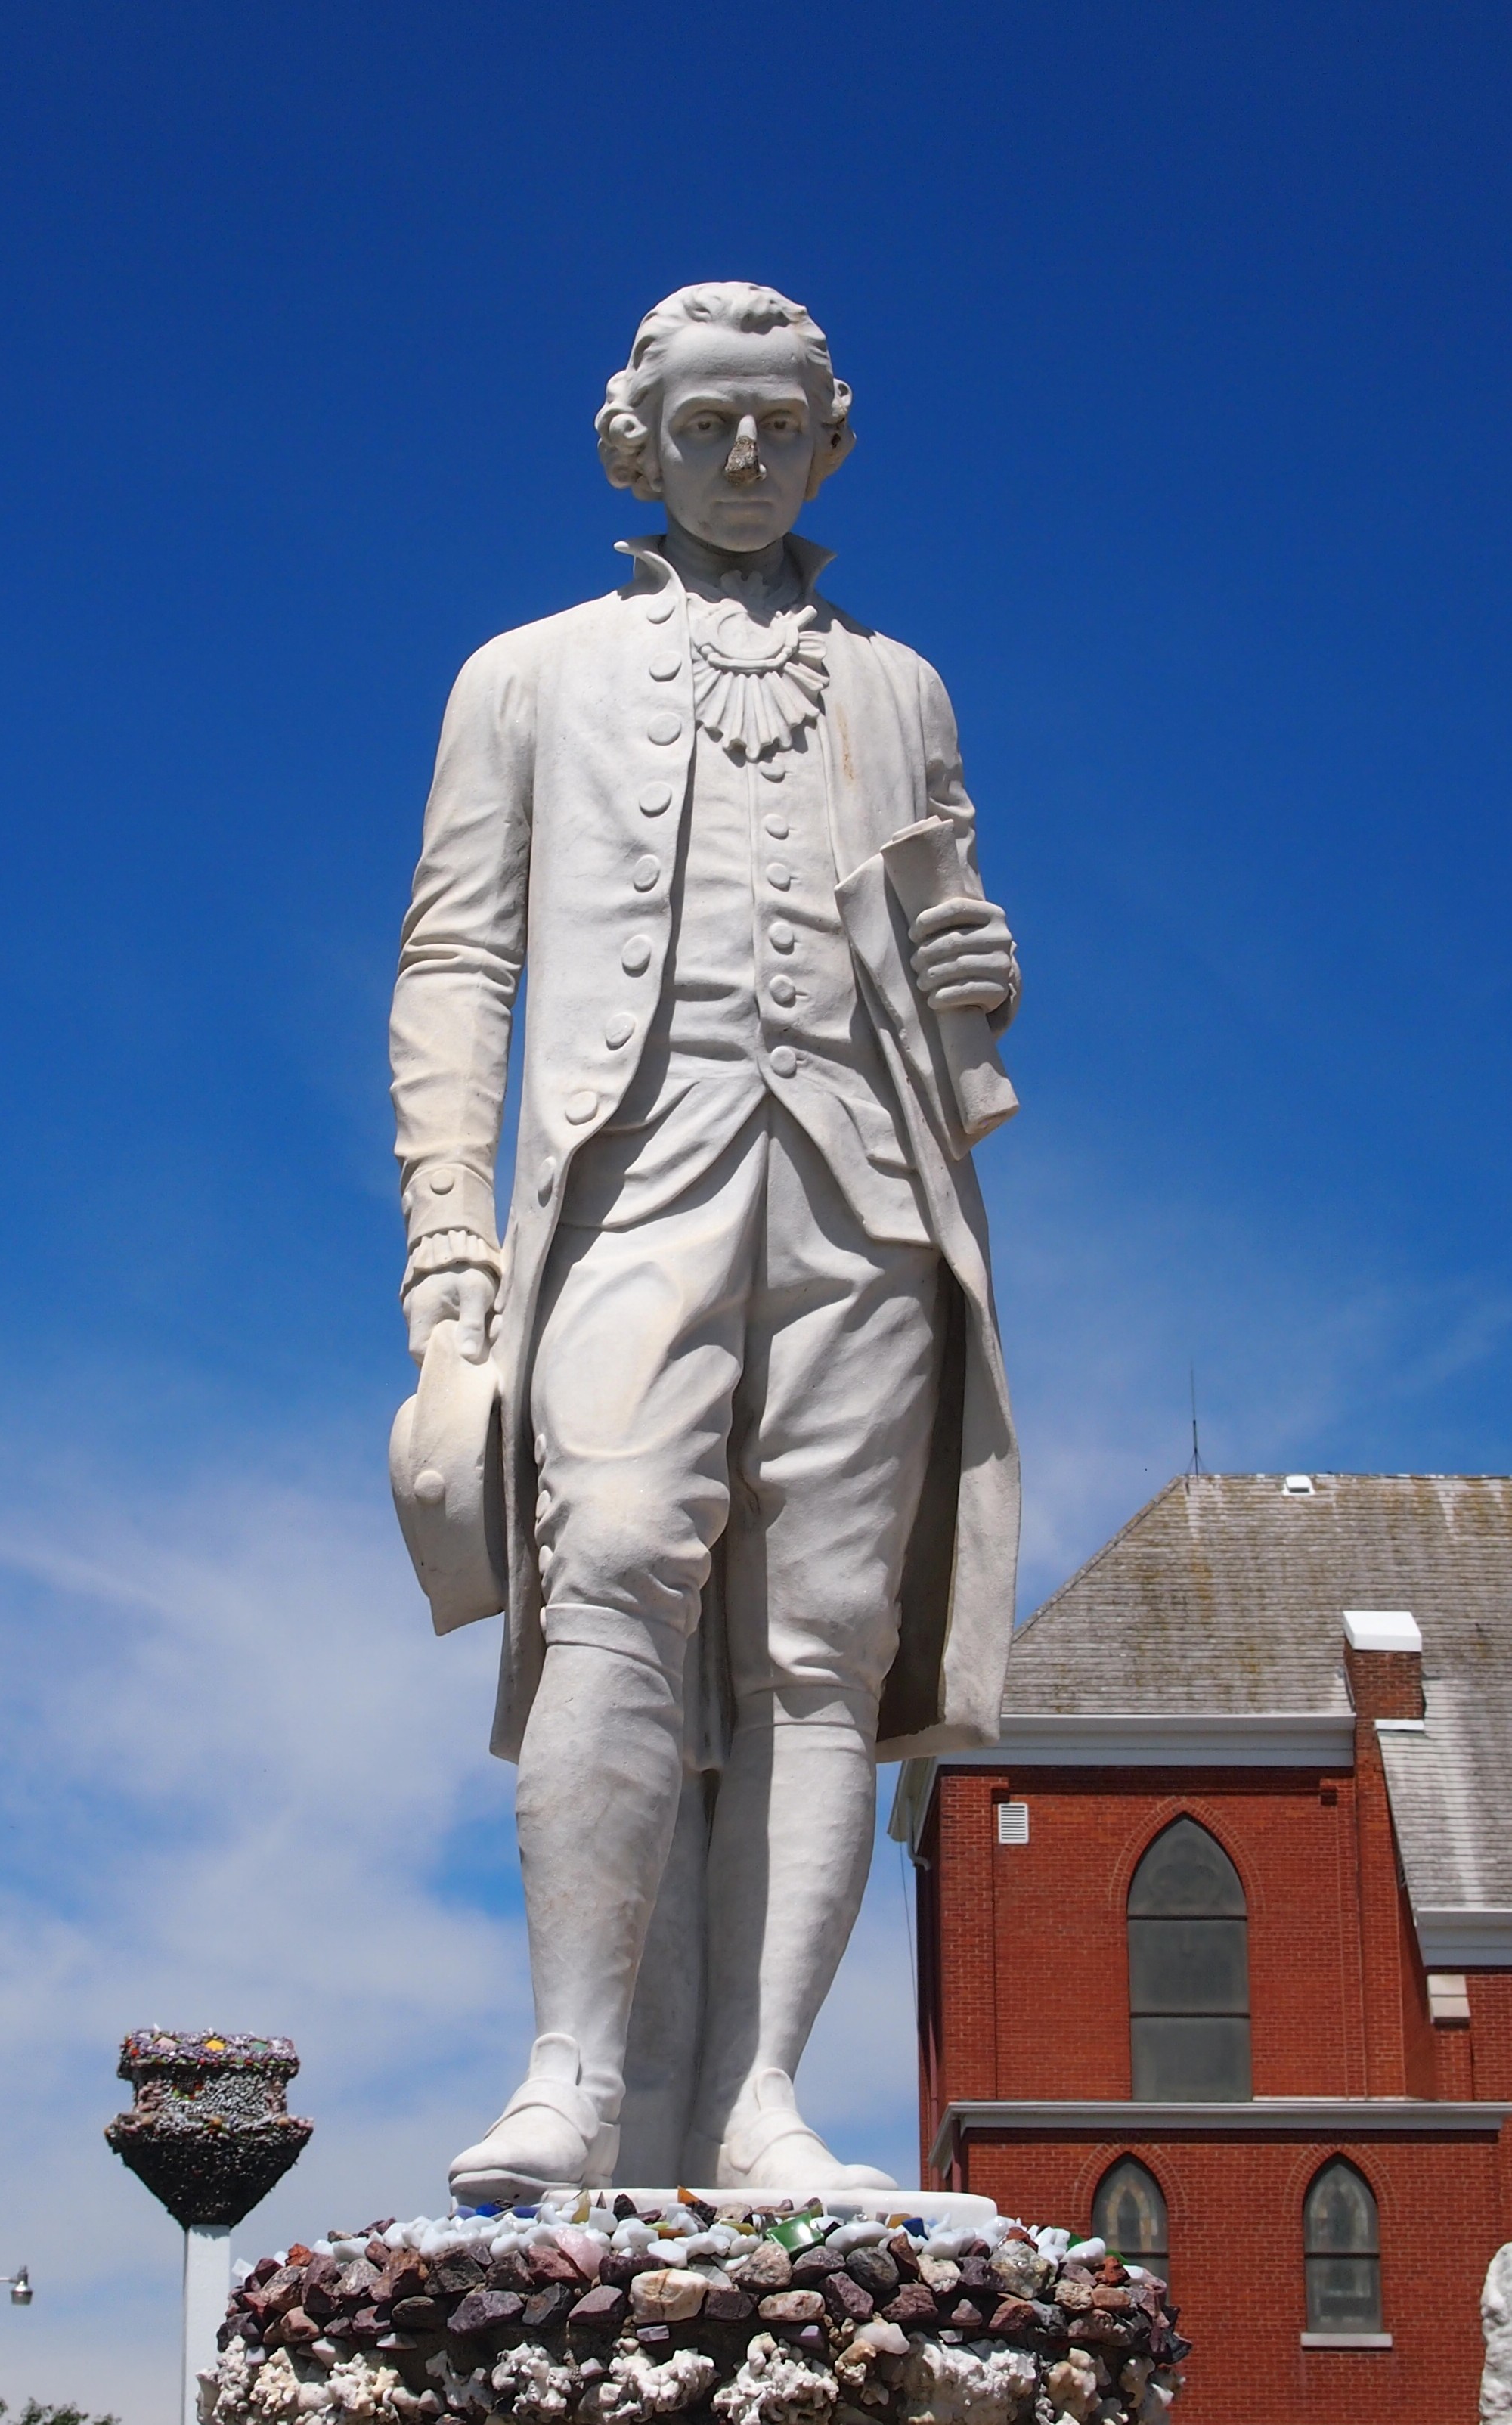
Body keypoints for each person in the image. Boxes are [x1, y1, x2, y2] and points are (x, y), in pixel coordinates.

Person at [391, 282, 1021, 2199]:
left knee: (823, 1651)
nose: (742, 456)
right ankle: (574, 2066)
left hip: (869, 1199)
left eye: (776, 424)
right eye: (704, 425)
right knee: (616, 1573)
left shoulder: (902, 684)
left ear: (826, 439)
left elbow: (951, 933)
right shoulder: (525, 673)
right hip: (630, 1185)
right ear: (633, 441)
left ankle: (761, 2100)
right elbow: (457, 962)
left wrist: (983, 971)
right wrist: (450, 1274)